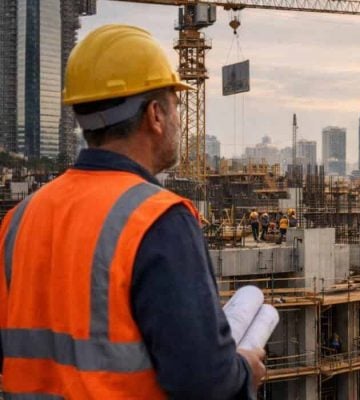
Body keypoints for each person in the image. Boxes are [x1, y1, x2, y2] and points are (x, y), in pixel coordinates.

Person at [0, 25, 266, 398]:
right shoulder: (157, 219)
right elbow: (205, 381)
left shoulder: (19, 220)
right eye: (176, 105)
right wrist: (243, 373)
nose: (179, 119)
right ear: (155, 115)